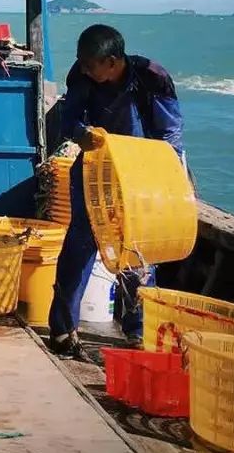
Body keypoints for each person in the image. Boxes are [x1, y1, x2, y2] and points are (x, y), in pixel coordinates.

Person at [49, 24, 184, 355]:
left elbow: (170, 133)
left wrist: (166, 178)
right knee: (80, 244)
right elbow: (68, 122)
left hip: (140, 172)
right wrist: (83, 134)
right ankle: (64, 329)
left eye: (90, 64)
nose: (83, 68)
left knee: (139, 250)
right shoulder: (81, 76)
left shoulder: (151, 77)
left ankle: (136, 330)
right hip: (95, 167)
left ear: (111, 62)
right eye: (80, 62)